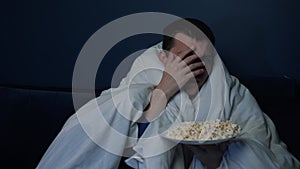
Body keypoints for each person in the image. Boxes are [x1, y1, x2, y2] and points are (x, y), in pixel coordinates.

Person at [36, 18, 299, 169]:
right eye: (187, 57)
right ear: (164, 57)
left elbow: (261, 144)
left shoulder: (234, 92)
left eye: (205, 58)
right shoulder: (141, 82)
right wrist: (165, 88)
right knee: (115, 105)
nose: (198, 66)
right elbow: (120, 137)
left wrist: (216, 161)